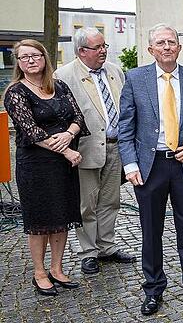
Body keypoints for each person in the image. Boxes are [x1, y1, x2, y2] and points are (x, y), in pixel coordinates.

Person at [118, 24, 183, 316]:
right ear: (151, 49)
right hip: (149, 167)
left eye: (171, 42)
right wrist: (130, 163)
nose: (166, 47)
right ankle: (153, 290)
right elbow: (126, 127)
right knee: (151, 232)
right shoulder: (135, 79)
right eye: (160, 43)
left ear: (179, 47)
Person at [4, 39, 88, 296]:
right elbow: (32, 132)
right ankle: (39, 273)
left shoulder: (59, 86)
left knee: (61, 218)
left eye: (35, 55)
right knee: (39, 221)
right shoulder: (15, 92)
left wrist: (69, 133)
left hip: (62, 166)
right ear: (18, 63)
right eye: (24, 57)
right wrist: (67, 148)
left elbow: (78, 117)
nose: (30, 60)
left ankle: (57, 269)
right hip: (35, 166)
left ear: (45, 58)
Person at [54, 27, 135, 275]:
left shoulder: (114, 70)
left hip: (115, 147)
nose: (103, 51)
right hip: (85, 150)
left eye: (104, 46)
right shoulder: (64, 75)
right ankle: (88, 252)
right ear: (81, 51)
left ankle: (106, 247)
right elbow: (60, 116)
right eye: (97, 47)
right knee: (86, 204)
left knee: (110, 201)